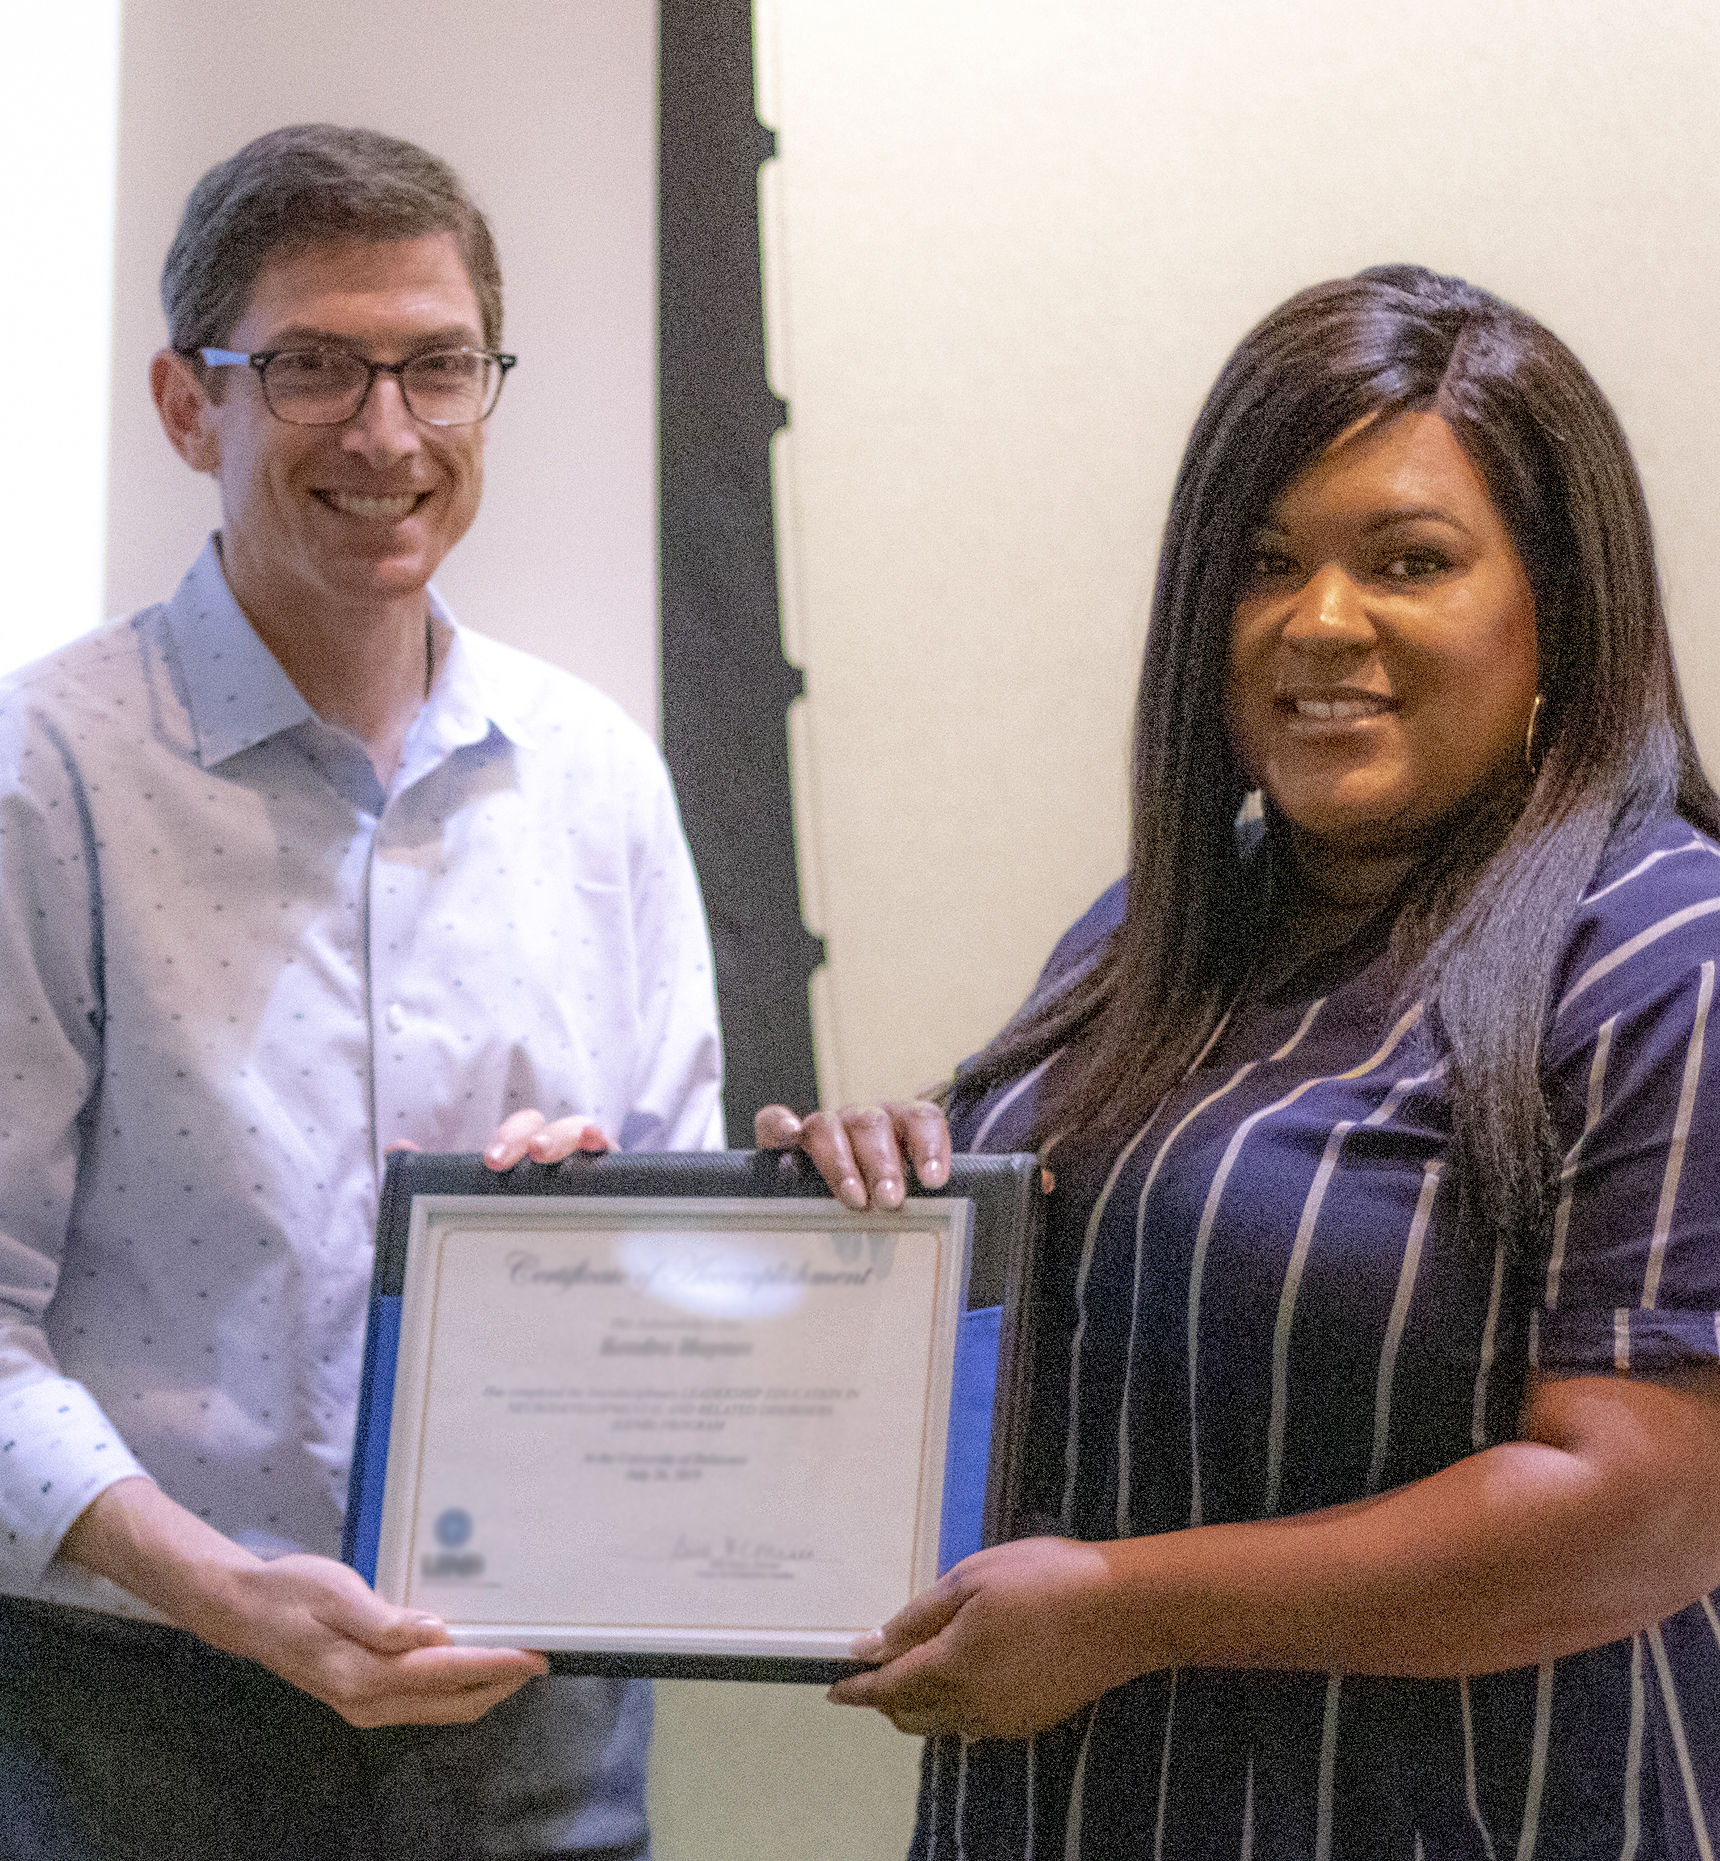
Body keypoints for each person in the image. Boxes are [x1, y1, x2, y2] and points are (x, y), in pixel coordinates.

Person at [760, 265, 1720, 1858]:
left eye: (1410, 562)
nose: (1319, 623)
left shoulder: (1661, 955)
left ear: (1559, 603)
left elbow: (1644, 1510)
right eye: (1264, 563)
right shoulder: (1158, 929)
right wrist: (873, 1202)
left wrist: (1130, 1609)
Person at [0, 125, 722, 1860]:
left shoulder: (593, 773)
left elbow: (695, 1260)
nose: (387, 432)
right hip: (137, 1721)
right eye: (314, 366)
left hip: (532, 1710)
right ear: (192, 406)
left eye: (439, 367)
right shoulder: (51, 775)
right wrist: (230, 1590)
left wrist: (606, 1230)